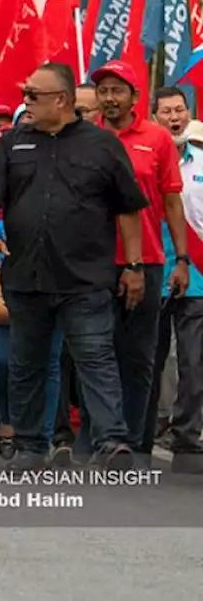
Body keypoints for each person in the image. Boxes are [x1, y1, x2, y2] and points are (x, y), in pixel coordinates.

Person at [0, 62, 145, 470]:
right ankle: (33, 446)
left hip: (84, 277)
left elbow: (129, 210)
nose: (25, 102)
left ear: (63, 100)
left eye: (34, 95)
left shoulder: (102, 145)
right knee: (27, 363)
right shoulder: (12, 142)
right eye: (24, 93)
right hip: (26, 276)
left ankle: (111, 443)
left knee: (95, 357)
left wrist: (134, 265)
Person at [91, 61, 188, 456]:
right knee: (94, 353)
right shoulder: (84, 136)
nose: (110, 98)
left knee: (138, 357)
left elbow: (171, 200)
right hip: (92, 263)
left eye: (118, 90)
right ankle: (102, 437)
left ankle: (135, 441)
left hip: (146, 261)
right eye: (104, 90)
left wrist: (181, 258)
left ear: (135, 97)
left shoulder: (157, 139)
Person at [159, 118, 203, 473]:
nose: (172, 117)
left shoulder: (201, 164)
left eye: (179, 110)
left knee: (194, 360)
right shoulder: (139, 158)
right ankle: (136, 436)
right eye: (165, 110)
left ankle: (186, 437)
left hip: (197, 278)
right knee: (146, 361)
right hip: (148, 272)